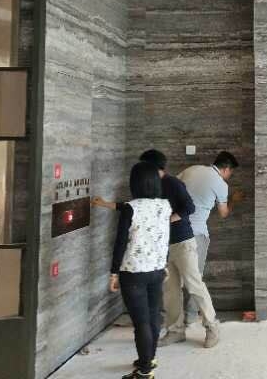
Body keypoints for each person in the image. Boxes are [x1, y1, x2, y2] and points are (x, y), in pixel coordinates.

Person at [94, 149, 220, 349]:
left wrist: (165, 220)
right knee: (170, 291)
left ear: (152, 166)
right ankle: (175, 331)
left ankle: (212, 326)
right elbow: (135, 207)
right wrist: (106, 204)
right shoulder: (150, 185)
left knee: (194, 285)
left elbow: (189, 207)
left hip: (183, 242)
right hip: (162, 246)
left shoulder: (173, 183)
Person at [109, 161, 171, 379]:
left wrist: (114, 273)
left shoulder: (131, 207)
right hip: (156, 269)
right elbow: (164, 236)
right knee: (153, 316)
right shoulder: (165, 205)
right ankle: (149, 358)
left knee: (141, 322)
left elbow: (120, 243)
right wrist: (164, 263)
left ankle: (145, 371)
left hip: (133, 272)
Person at [176, 151, 242, 326]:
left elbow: (172, 187)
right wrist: (234, 200)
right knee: (195, 278)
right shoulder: (221, 185)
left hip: (174, 229)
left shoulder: (191, 169)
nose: (229, 176)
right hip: (196, 233)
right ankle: (190, 317)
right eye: (231, 172)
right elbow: (223, 213)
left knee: (174, 277)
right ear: (226, 169)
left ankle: (175, 318)